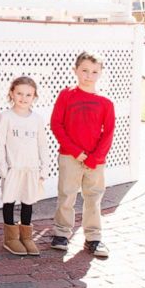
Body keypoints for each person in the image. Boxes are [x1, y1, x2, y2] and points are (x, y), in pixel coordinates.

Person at [49, 52, 115, 258]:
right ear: (75, 70)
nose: (89, 75)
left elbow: (109, 132)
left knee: (93, 198)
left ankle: (93, 237)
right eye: (84, 70)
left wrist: (94, 158)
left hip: (96, 160)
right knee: (67, 194)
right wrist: (75, 152)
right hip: (70, 157)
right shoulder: (66, 95)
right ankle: (61, 234)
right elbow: (56, 125)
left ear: (101, 73)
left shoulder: (105, 102)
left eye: (94, 72)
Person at [0, 76, 49, 256]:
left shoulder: (37, 119)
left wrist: (44, 167)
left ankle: (26, 237)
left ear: (34, 97)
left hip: (31, 168)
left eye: (28, 95)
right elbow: (0, 143)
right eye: (19, 93)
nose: (23, 98)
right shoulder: (6, 116)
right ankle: (10, 238)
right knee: (9, 200)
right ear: (12, 93)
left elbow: (42, 144)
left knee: (28, 201)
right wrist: (3, 168)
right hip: (13, 168)